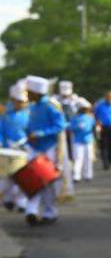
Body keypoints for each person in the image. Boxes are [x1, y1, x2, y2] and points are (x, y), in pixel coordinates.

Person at [22, 75, 67, 226]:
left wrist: (40, 133)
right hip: (33, 149)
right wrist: (27, 133)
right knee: (32, 180)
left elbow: (60, 125)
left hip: (49, 149)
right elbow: (29, 126)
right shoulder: (32, 107)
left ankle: (50, 212)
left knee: (47, 182)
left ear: (36, 92)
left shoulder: (50, 105)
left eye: (29, 92)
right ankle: (32, 211)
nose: (27, 94)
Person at [1, 83, 30, 212]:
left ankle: (22, 202)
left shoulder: (29, 114)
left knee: (23, 176)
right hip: (7, 148)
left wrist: (26, 141)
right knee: (7, 176)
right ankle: (7, 200)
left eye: (22, 102)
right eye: (17, 101)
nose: (20, 104)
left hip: (24, 148)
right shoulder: (5, 114)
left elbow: (31, 130)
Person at [69, 99, 96, 182]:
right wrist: (77, 127)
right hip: (78, 141)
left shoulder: (90, 118)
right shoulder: (74, 118)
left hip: (88, 140)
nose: (86, 110)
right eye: (84, 108)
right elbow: (71, 128)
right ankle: (76, 176)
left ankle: (88, 175)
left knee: (88, 158)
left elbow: (93, 128)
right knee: (78, 158)